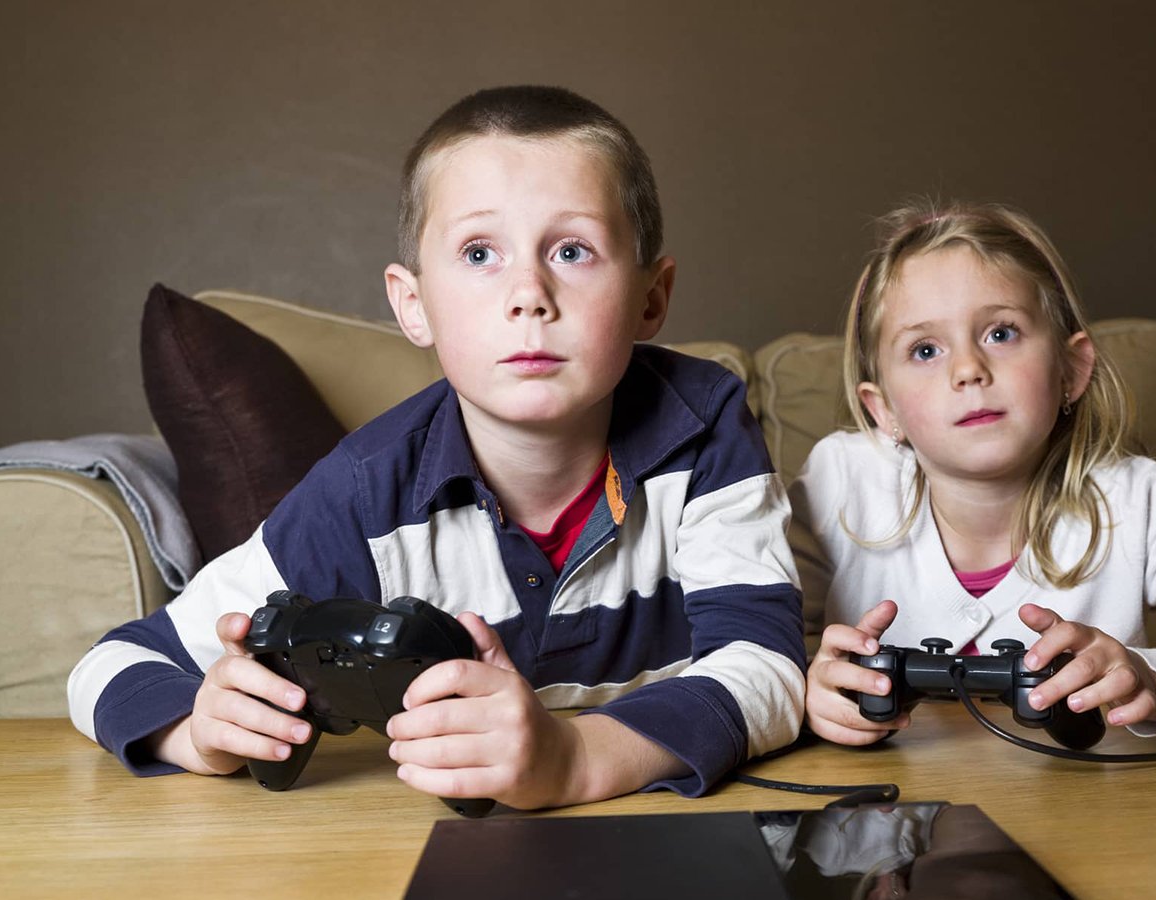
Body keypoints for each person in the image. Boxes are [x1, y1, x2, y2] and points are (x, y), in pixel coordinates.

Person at [67, 86, 806, 808]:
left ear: (652, 297)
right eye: (480, 253)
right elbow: (109, 665)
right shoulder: (366, 494)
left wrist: (577, 760)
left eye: (573, 250)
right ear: (413, 305)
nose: (530, 293)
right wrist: (195, 732)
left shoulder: (702, 425)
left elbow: (767, 666)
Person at [794, 198, 1156, 747]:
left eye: (1001, 333)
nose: (969, 370)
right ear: (883, 409)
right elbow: (738, 657)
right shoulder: (841, 481)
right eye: (925, 349)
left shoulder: (1131, 498)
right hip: (889, 818)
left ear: (1072, 368)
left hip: (1088, 816)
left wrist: (1152, 677)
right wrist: (804, 688)